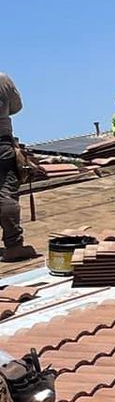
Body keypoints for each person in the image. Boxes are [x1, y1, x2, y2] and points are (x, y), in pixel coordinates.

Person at [0, 72, 44, 261]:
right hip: (1, 143)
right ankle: (14, 245)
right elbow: (16, 107)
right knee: (6, 192)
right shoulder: (2, 79)